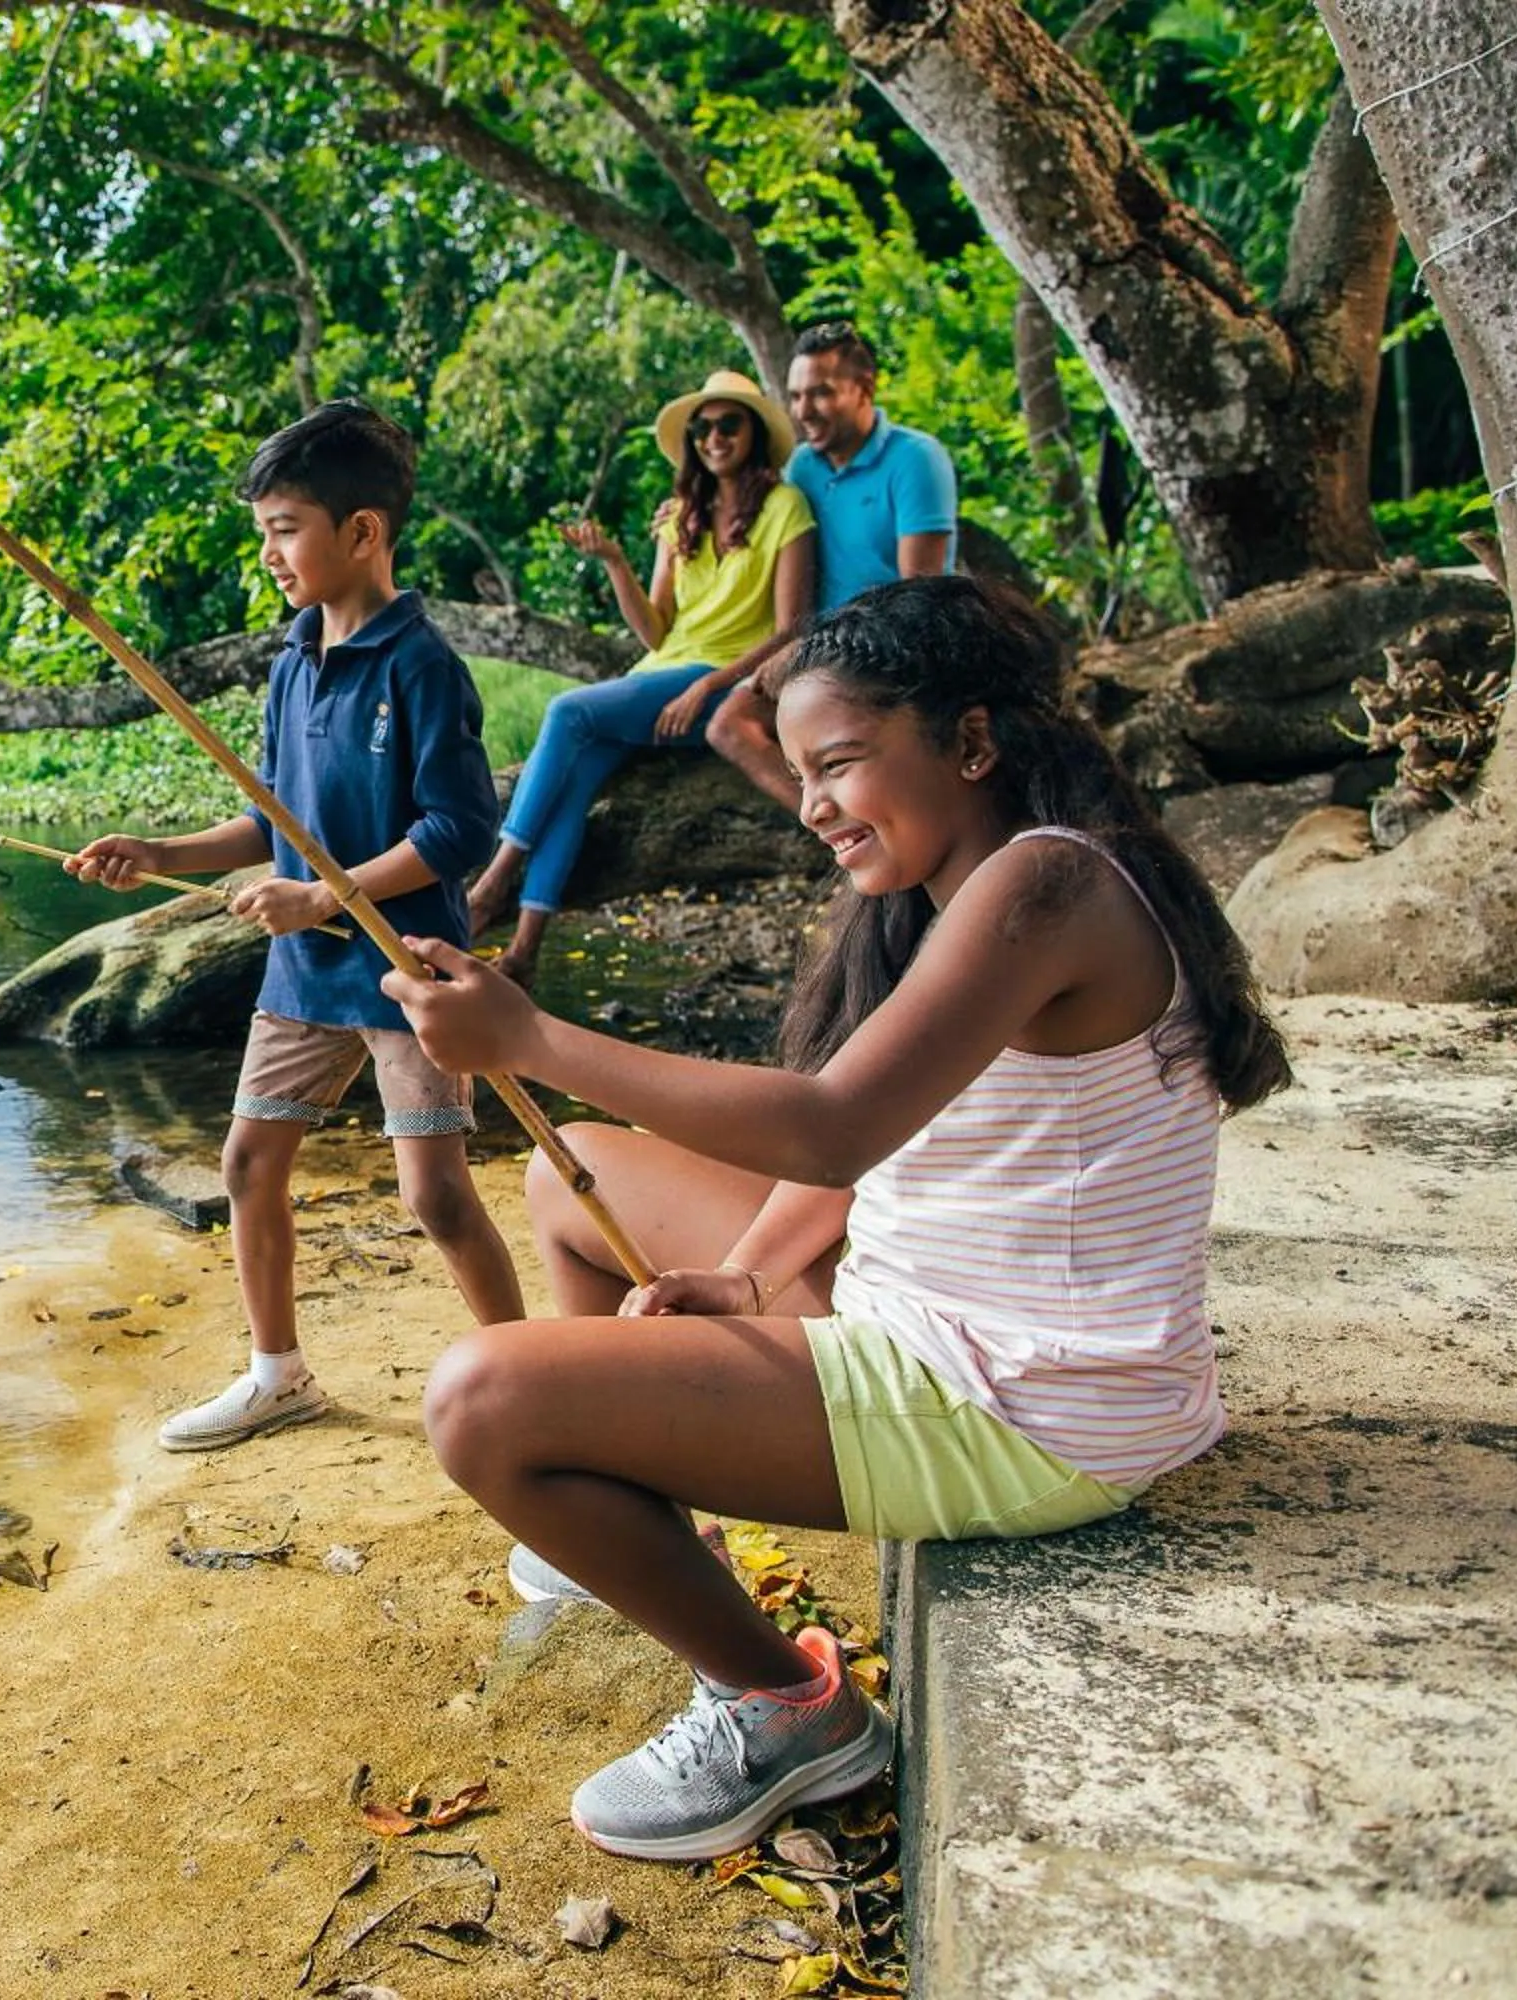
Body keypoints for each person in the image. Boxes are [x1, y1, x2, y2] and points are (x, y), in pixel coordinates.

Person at [381, 576, 1291, 1860]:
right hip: (932, 1312)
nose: (812, 807)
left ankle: (786, 1706)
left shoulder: (1048, 889)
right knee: (572, 1173)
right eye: (798, 772)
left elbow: (832, 1124)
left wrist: (528, 1036)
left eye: (841, 764)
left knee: (477, 1398)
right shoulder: (972, 879)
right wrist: (748, 1281)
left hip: (1031, 1404)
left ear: (970, 742)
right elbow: (875, 1150)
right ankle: (647, 1517)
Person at [67, 401, 525, 1451]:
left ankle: (535, 1377)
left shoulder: (421, 666)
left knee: (437, 1195)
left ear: (362, 531)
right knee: (248, 1162)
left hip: (410, 970)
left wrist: (327, 895)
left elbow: (461, 827)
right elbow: (272, 811)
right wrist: (161, 853)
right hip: (304, 977)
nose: (269, 552)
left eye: (285, 527)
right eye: (265, 529)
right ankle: (279, 1375)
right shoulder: (292, 661)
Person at [465, 370, 815, 985]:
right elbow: (656, 632)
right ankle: (524, 949)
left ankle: (495, 878)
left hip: (724, 683)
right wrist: (616, 563)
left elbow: (790, 628)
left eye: (728, 424)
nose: (713, 438)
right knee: (576, 777)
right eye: (702, 429)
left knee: (567, 712)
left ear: (754, 433)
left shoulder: (786, 508)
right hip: (664, 672)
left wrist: (707, 687)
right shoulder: (680, 514)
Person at [703, 323, 960, 807]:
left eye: (821, 394)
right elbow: (744, 514)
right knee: (728, 725)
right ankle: (835, 836)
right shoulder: (802, 468)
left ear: (864, 389)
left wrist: (808, 648)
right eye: (796, 396)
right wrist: (682, 512)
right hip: (819, 649)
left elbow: (920, 597)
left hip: (896, 645)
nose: (804, 411)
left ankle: (867, 832)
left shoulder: (916, 458)